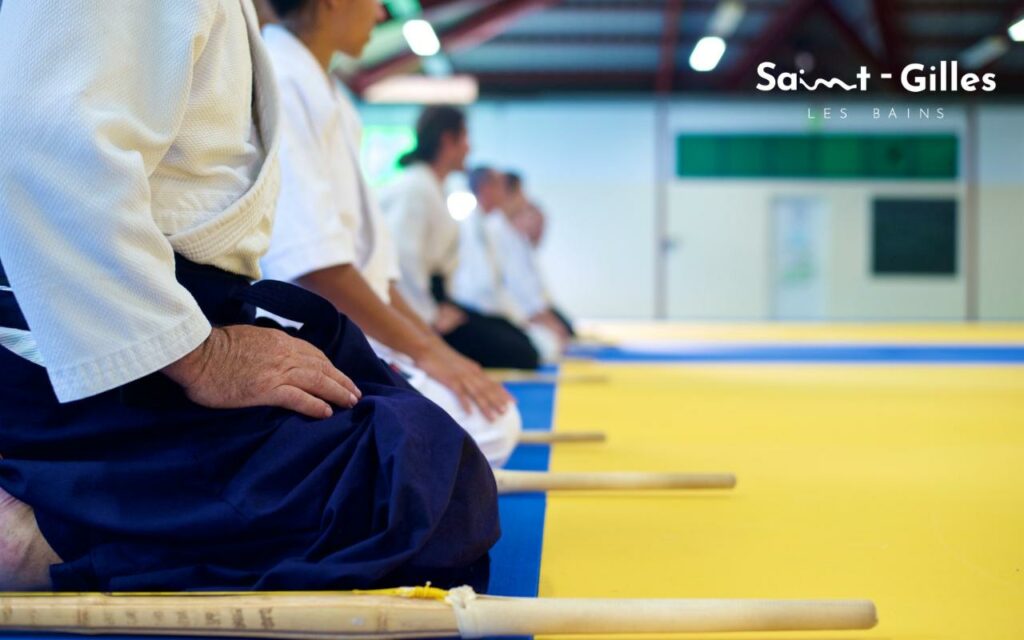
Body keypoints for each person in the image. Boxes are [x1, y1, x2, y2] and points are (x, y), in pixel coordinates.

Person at [0, 0, 498, 592]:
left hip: (173, 320)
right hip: (97, 344)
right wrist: (202, 356)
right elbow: (42, 147)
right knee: (408, 493)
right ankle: (48, 528)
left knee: (425, 453)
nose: (380, 10)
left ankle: (85, 504)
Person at [260, 0, 521, 466]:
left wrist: (433, 352)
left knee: (491, 417)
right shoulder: (281, 77)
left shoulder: (330, 95)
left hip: (362, 328)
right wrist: (427, 348)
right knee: (483, 425)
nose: (382, 14)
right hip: (306, 339)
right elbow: (315, 263)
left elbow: (377, 271)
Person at [379, 108, 541, 370]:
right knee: (522, 352)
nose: (469, 147)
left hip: (438, 301)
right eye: (465, 138)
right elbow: (404, 265)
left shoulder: (435, 188)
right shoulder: (414, 188)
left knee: (520, 342)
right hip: (419, 311)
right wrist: (429, 320)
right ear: (447, 140)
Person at [451, 168, 565, 365]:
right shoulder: (473, 226)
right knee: (533, 350)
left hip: (496, 311)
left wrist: (524, 317)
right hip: (474, 312)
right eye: (501, 187)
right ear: (487, 189)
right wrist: (524, 318)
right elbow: (482, 289)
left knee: (543, 343)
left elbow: (509, 285)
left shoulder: (489, 226)